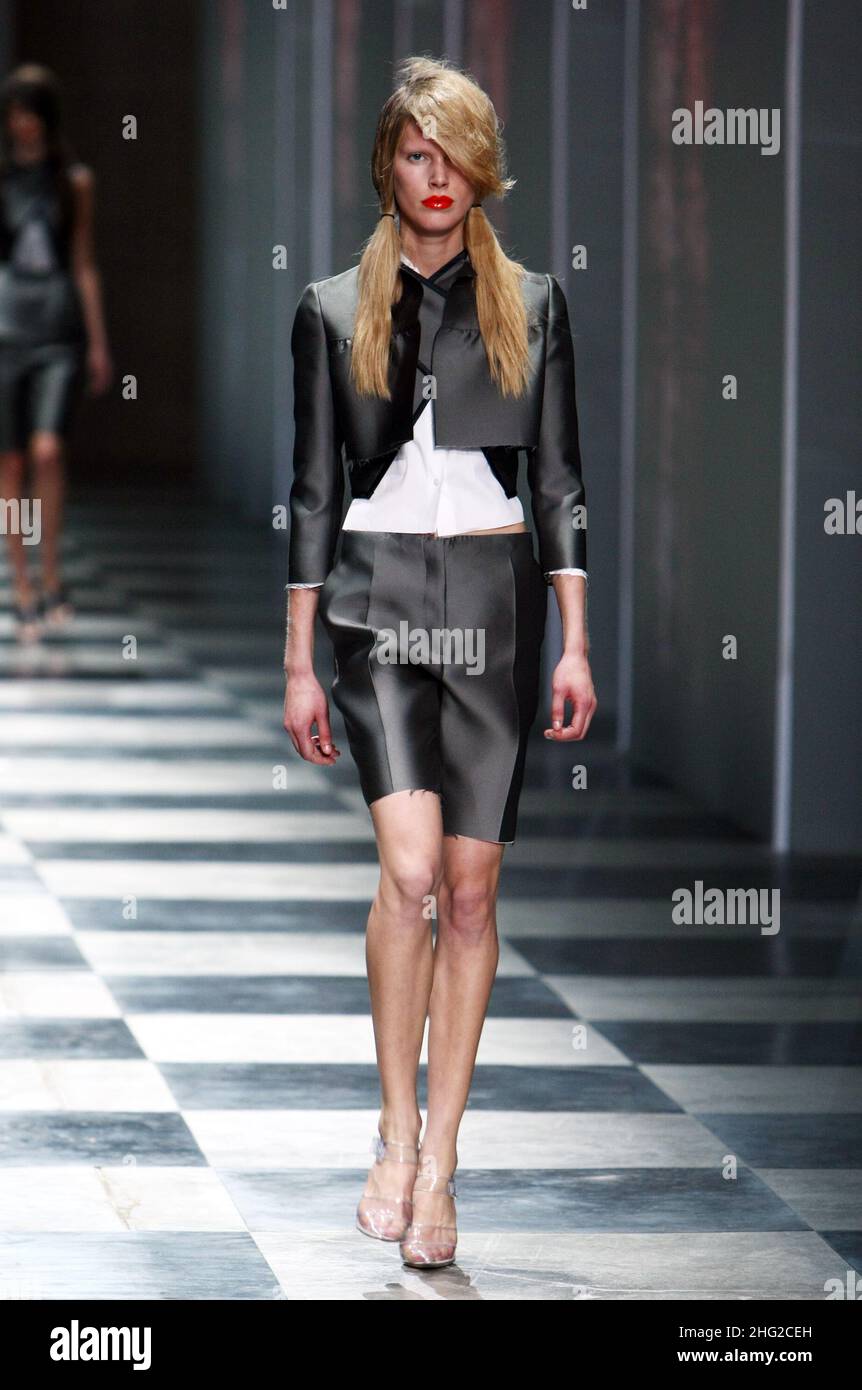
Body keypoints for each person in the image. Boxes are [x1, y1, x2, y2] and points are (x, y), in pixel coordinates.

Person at [282, 56, 597, 1270]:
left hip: (498, 596)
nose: (438, 177)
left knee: (470, 890)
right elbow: (312, 489)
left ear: (481, 170)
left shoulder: (533, 301)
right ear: (387, 166)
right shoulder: (327, 307)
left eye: (457, 155)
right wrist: (301, 661)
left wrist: (573, 640)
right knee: (408, 870)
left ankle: (444, 1160)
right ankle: (394, 1131)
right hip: (375, 598)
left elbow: (560, 481)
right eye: (418, 154)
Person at [0, 64, 112, 641]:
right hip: (5, 329)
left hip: (58, 328)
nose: (22, 123)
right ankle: (21, 583)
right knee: (11, 462)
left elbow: (83, 262)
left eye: (30, 111)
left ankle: (50, 576)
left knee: (46, 451)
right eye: (14, 111)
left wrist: (97, 341)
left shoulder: (73, 181)